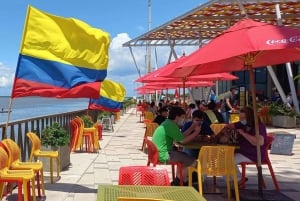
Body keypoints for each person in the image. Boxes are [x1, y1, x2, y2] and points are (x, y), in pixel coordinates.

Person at [152, 106, 201, 185]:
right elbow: (183, 141)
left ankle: (182, 180)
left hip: (159, 153)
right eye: (182, 117)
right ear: (177, 117)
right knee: (194, 163)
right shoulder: (171, 125)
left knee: (184, 158)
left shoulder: (167, 123)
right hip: (164, 154)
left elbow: (181, 136)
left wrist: (192, 128)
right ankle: (178, 181)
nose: (183, 119)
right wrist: (196, 132)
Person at [227, 106, 267, 185]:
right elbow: (229, 126)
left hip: (253, 154)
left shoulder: (259, 126)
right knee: (222, 157)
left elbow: (259, 142)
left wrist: (243, 133)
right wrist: (226, 130)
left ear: (250, 117)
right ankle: (233, 182)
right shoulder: (242, 124)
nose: (241, 120)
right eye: (240, 118)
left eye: (243, 118)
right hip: (242, 151)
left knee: (227, 161)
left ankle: (237, 180)